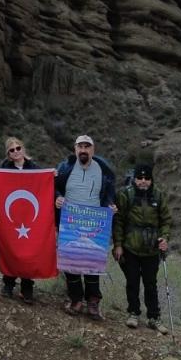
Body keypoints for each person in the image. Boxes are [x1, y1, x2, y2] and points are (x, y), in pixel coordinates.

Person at [54, 135, 117, 320]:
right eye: (80, 146)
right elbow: (53, 187)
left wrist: (110, 205)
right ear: (75, 149)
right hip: (70, 221)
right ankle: (76, 299)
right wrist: (57, 197)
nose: (83, 150)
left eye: (87, 147)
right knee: (70, 263)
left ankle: (93, 302)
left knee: (92, 263)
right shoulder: (65, 168)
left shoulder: (103, 169)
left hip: (94, 221)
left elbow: (110, 192)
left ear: (93, 150)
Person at [113, 163, 172, 334]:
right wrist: (118, 245)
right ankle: (133, 313)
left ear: (151, 180)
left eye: (147, 178)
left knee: (150, 284)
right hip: (130, 247)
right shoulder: (125, 195)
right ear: (135, 179)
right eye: (140, 178)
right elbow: (118, 221)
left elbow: (166, 220)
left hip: (151, 248)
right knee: (132, 281)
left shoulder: (158, 196)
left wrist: (165, 238)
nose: (143, 181)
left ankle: (153, 317)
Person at [0, 137, 40, 303]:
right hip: (10, 220)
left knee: (28, 254)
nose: (16, 152)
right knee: (10, 251)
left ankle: (27, 288)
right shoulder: (2, 169)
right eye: (12, 150)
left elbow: (44, 188)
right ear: (8, 154)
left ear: (23, 149)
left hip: (29, 220)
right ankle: (8, 284)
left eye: (18, 148)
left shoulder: (34, 168)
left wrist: (51, 177)